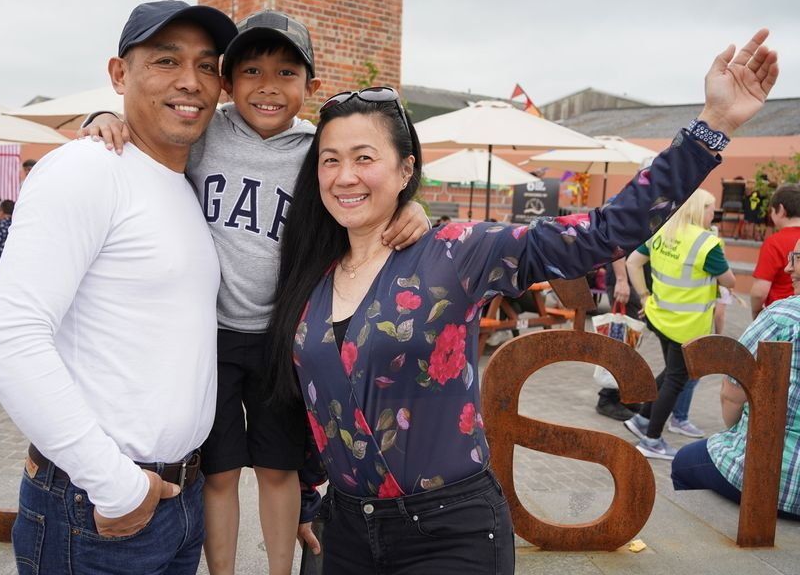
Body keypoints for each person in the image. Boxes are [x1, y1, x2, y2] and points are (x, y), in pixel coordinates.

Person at [272, 28, 777, 574]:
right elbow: (309, 401)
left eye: (364, 157)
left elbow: (601, 233)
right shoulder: (310, 275)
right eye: (329, 161)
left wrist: (715, 127)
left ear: (405, 171)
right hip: (343, 532)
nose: (345, 176)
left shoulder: (457, 254)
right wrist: (304, 495)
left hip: (449, 534)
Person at [81, 10, 429, 575]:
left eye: (286, 73)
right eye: (250, 71)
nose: (268, 87)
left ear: (310, 88)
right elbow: (145, 125)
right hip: (207, 337)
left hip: (280, 338)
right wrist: (99, 115)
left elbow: (375, 179)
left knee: (277, 469)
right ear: (226, 79)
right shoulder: (204, 131)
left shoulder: (318, 149)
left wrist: (410, 203)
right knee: (218, 473)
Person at [0, 0, 239, 574]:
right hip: (98, 505)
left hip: (178, 498)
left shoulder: (185, 182)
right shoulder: (86, 170)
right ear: (120, 74)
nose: (190, 82)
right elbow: (7, 339)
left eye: (208, 65)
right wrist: (115, 485)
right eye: (166, 61)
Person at [672, 237, 800, 521]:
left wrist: (733, 432)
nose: (788, 268)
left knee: (683, 462)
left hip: (778, 484)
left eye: (796, 258)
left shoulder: (783, 315)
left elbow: (733, 391)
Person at [623, 190, 736, 457]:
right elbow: (729, 281)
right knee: (677, 378)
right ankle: (651, 440)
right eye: (711, 209)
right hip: (687, 324)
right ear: (699, 210)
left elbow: (632, 262)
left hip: (659, 316)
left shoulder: (662, 231)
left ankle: (641, 419)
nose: (713, 214)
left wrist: (643, 295)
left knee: (671, 372)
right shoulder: (706, 243)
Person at [750, 183, 800, 317]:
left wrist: (756, 314)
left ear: (781, 210)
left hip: (779, 316)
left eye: (771, 211)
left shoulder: (774, 242)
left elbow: (759, 292)